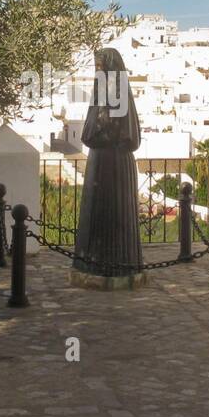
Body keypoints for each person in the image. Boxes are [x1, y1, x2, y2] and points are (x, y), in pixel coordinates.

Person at [73, 47, 143, 278]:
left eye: (100, 67)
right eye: (96, 68)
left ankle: (103, 263)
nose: (98, 72)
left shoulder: (111, 90)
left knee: (108, 214)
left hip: (108, 163)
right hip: (109, 161)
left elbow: (103, 129)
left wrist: (89, 135)